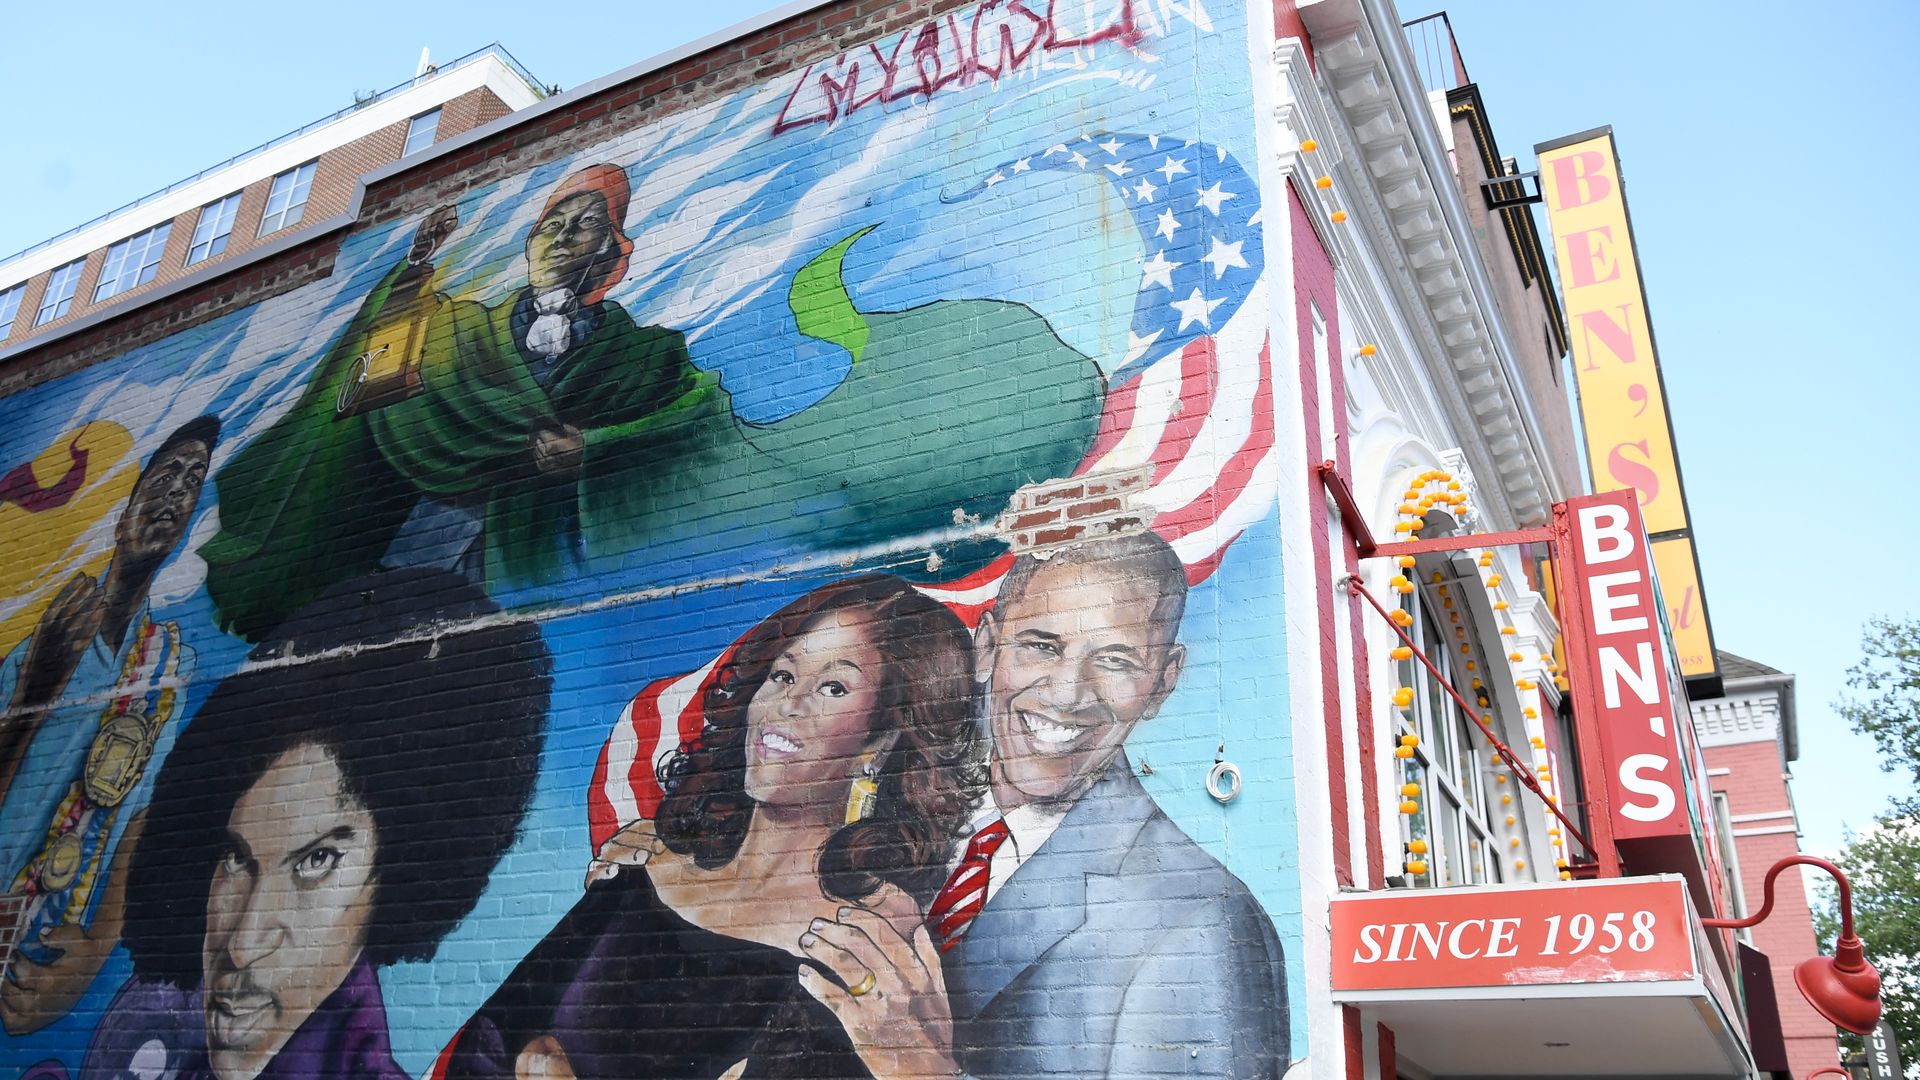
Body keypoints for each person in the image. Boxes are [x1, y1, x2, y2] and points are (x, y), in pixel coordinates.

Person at [446, 574, 982, 1080]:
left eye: (833, 688)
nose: (787, 704)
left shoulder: (862, 948)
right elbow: (489, 1039)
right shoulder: (645, 867)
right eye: (783, 674)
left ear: (880, 742)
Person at [802, 532, 1288, 1078]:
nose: (1066, 693)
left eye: (1115, 660)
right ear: (986, 646)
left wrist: (919, 1066)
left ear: (1163, 682)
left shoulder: (1203, 923)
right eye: (1041, 646)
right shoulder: (885, 803)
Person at [201, 163, 709, 640]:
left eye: (585, 224)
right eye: (552, 223)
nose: (562, 236)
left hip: (532, 550)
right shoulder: (457, 327)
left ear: (609, 249)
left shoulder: (643, 354)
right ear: (530, 243)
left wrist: (592, 447)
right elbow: (376, 353)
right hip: (424, 537)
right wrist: (415, 264)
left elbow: (689, 428)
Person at [81, 568, 551, 1080]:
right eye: (236, 857)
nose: (242, 944)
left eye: (315, 861)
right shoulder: (154, 1011)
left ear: (397, 876)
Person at [0, 416, 218, 1036]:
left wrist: (98, 945)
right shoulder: (49, 635)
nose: (177, 491)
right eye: (166, 473)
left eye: (194, 480)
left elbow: (142, 820)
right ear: (125, 512)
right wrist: (34, 692)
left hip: (36, 949)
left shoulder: (171, 664)